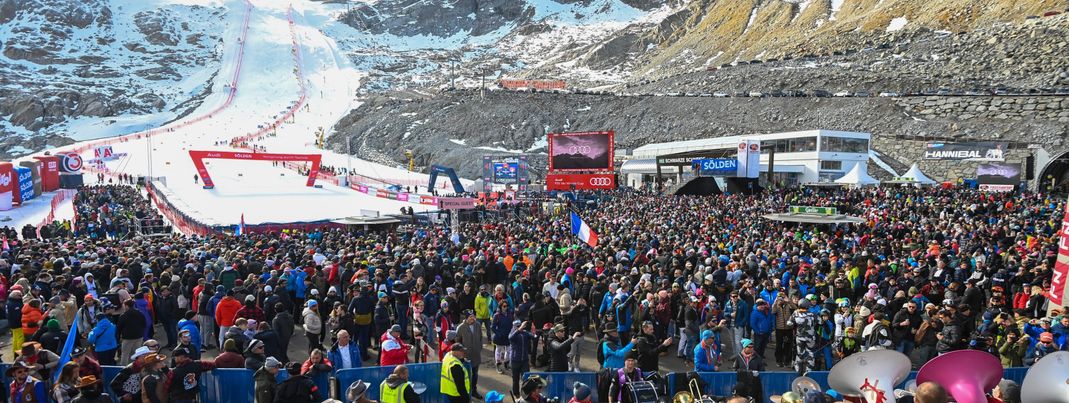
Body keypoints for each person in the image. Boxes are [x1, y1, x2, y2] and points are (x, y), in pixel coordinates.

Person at [456, 310, 484, 399]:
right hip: (466, 357)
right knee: (466, 376)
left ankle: (474, 391)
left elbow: (480, 337)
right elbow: (457, 341)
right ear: (466, 318)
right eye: (470, 317)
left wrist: (479, 348)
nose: (472, 318)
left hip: (476, 355)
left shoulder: (478, 325)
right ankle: (467, 393)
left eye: (473, 316)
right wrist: (462, 354)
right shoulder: (460, 327)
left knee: (475, 375)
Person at [509, 321, 538, 396]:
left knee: (526, 379)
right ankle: (516, 395)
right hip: (515, 361)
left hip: (524, 361)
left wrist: (535, 334)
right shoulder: (512, 333)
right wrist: (519, 329)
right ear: (514, 327)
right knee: (515, 380)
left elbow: (534, 337)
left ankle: (525, 394)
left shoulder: (525, 333)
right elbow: (511, 338)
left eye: (520, 325)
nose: (520, 327)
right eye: (518, 326)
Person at [116, 299, 147, 365]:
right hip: (139, 336)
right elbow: (144, 324)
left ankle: (123, 368)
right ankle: (138, 366)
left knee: (125, 354)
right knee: (137, 353)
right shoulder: (140, 313)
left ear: (126, 306)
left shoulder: (123, 316)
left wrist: (118, 337)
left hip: (128, 338)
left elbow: (119, 328)